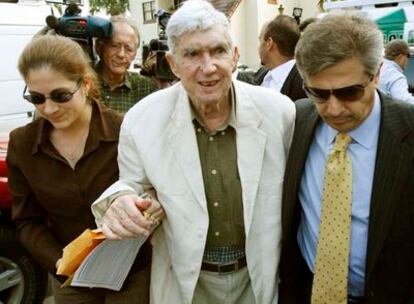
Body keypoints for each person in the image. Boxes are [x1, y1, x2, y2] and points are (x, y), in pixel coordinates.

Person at [91, 1, 295, 303]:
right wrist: (120, 202)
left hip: (259, 282)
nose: (208, 66)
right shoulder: (141, 121)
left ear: (235, 56)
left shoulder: (280, 113)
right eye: (192, 54)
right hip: (185, 284)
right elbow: (132, 188)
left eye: (218, 51)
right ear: (173, 64)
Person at [7, 35, 159, 304]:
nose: (49, 108)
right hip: (69, 280)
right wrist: (61, 262)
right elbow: (26, 221)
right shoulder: (23, 145)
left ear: (86, 84)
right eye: (37, 98)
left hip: (132, 275)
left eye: (61, 95)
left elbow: (159, 191)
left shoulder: (127, 131)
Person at [279, 12, 414, 304]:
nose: (334, 109)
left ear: (376, 74)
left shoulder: (409, 134)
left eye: (349, 92)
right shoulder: (298, 119)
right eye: (319, 93)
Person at [95, 15, 157, 113]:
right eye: (115, 46)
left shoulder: (146, 87)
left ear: (135, 54)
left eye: (129, 49)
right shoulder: (83, 83)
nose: (121, 54)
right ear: (99, 47)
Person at [378, 39, 414, 104]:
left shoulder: (377, 68)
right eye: (408, 55)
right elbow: (405, 102)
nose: (408, 60)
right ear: (400, 57)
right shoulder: (396, 76)